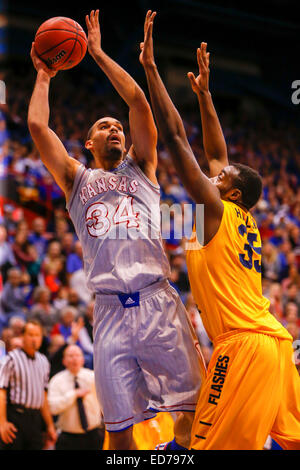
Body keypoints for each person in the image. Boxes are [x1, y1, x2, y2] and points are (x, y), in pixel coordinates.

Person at [27, 9, 205, 451]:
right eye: (104, 127)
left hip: (158, 301)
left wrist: (99, 53)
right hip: (108, 312)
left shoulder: (143, 167)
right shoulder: (76, 179)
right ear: (88, 143)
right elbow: (36, 126)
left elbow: (140, 104)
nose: (115, 130)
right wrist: (45, 75)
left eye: (118, 127)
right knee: (119, 434)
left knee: (192, 410)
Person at [140, 10, 300, 450]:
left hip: (243, 348)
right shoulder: (235, 215)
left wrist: (152, 69)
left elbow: (175, 137)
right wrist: (206, 96)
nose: (213, 175)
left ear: (230, 193)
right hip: (275, 344)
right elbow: (217, 152)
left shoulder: (212, 210)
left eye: (221, 177)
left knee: (194, 450)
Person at [0, 320, 57, 450]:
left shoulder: (44, 361)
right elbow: (1, 392)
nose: (34, 339)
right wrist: (2, 423)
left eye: (37, 335)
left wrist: (50, 426)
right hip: (16, 416)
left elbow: (43, 396)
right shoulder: (10, 359)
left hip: (36, 419)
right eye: (30, 334)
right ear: (22, 337)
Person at [48, 344, 104, 450]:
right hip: (68, 437)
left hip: (94, 434)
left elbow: (105, 402)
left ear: (83, 359)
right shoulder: (56, 380)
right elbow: (52, 408)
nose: (74, 359)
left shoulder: (93, 377)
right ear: (64, 360)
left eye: (77, 355)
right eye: (70, 356)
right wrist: (73, 395)